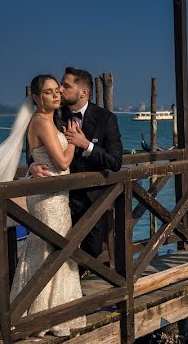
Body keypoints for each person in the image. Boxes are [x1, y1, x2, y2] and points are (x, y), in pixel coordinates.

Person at [11, 74, 86, 337]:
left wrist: (31, 164)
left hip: (56, 195)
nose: (56, 95)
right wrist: (75, 144)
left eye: (57, 91)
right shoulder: (41, 122)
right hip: (48, 199)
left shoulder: (49, 121)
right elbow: (63, 164)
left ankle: (53, 311)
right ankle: (40, 315)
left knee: (53, 248)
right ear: (35, 97)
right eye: (48, 92)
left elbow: (35, 155)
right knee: (49, 250)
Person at [30, 67, 123, 262]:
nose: (60, 91)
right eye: (58, 87)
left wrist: (86, 145)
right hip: (57, 195)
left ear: (84, 92)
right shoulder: (53, 113)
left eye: (65, 86)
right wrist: (32, 166)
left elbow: (115, 162)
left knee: (91, 251)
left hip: (93, 200)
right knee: (52, 249)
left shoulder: (106, 119)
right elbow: (34, 147)